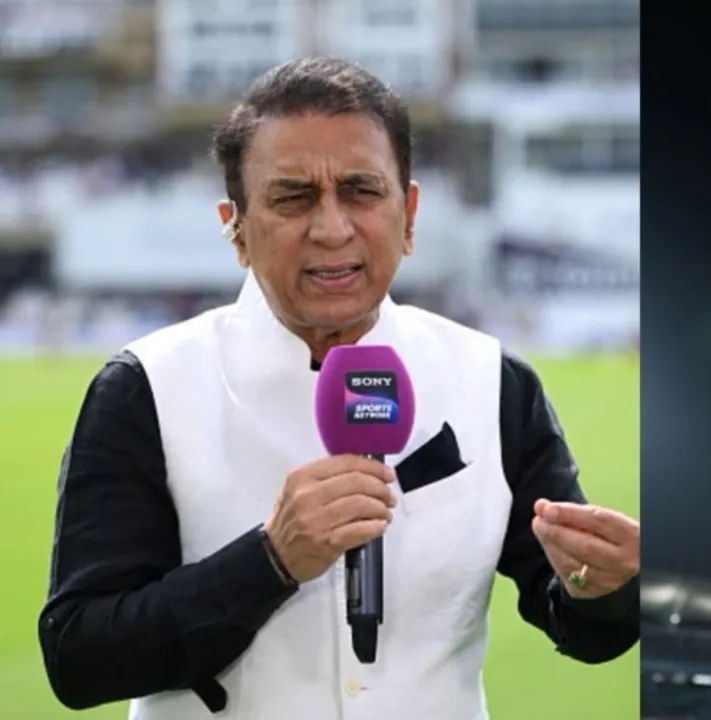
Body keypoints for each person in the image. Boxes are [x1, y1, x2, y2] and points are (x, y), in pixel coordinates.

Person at [39, 58, 640, 719]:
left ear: (408, 215)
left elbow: (584, 623)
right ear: (235, 227)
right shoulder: (147, 387)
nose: (331, 228)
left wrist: (605, 588)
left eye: (361, 191)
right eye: (292, 197)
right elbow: (80, 657)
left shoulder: (493, 381)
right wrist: (270, 561)